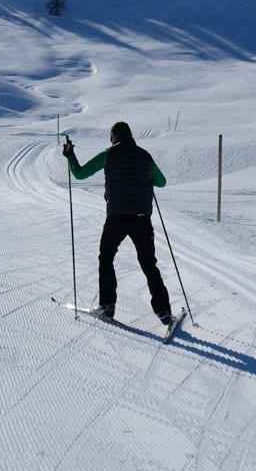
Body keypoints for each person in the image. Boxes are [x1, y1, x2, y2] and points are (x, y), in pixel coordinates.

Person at [62, 121, 174, 326]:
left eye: (110, 136)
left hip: (117, 218)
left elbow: (79, 173)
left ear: (114, 136)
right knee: (149, 264)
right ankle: (164, 313)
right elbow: (162, 182)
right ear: (130, 135)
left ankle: (107, 306)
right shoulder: (145, 156)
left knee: (106, 257)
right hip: (142, 218)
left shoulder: (108, 154)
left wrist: (70, 155)